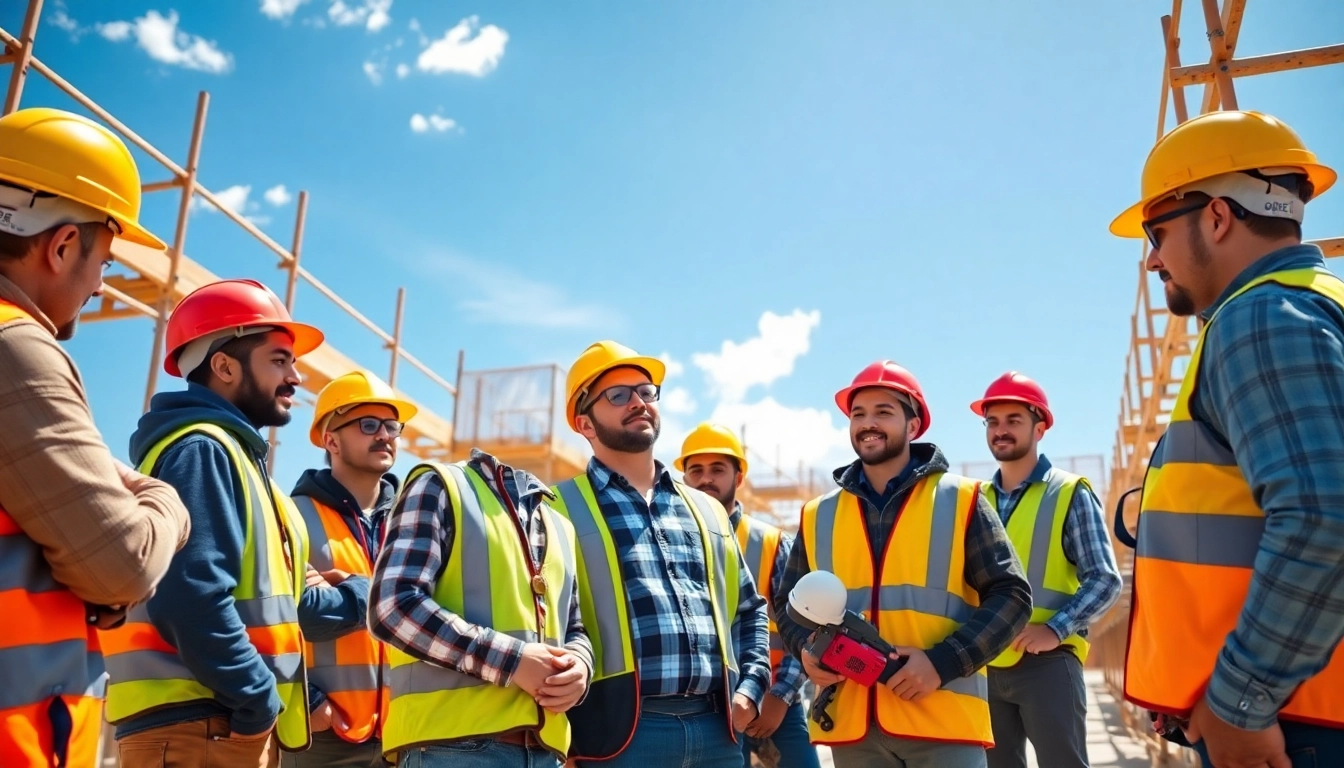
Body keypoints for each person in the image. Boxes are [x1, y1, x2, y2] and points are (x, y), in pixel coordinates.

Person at [1109, 109, 1344, 768]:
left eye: (1156, 232)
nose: (1152, 257)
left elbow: (1324, 517)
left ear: (1216, 217)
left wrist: (1242, 697)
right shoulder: (1314, 302)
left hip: (1296, 723)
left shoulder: (1263, 317)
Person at [102, 279, 370, 768]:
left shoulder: (244, 467)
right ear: (224, 366)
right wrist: (256, 700)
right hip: (203, 724)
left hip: (218, 724)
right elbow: (190, 595)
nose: (295, 377)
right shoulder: (202, 451)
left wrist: (363, 592)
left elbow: (288, 605)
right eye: (278, 360)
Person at [0, 106, 192, 767]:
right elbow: (123, 561)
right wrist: (165, 502)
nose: (101, 283)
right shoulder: (14, 349)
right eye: (104, 259)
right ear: (59, 247)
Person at [772, 360, 1032, 768]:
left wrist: (943, 661)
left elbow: (1013, 596)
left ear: (913, 426)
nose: (867, 423)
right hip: (852, 725)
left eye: (883, 412)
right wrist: (806, 650)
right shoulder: (817, 514)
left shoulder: (961, 500)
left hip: (941, 719)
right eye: (858, 414)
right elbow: (788, 603)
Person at [547, 340, 771, 768]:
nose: (638, 402)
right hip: (617, 738)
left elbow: (749, 608)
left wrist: (751, 689)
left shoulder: (705, 508)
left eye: (646, 391)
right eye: (617, 395)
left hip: (718, 731)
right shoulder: (555, 509)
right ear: (584, 423)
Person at [369, 449, 593, 768]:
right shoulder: (440, 486)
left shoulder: (560, 525)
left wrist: (580, 666)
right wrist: (512, 661)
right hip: (450, 748)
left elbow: (574, 627)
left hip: (546, 750)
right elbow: (393, 607)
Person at [969, 372, 1122, 768]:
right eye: (993, 422)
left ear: (1040, 427)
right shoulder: (973, 501)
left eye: (1013, 421)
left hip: (1048, 665)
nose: (1000, 431)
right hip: (986, 664)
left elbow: (1105, 579)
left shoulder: (1069, 493)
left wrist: (1054, 630)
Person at [287, 370, 419, 767]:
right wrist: (310, 703)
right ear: (331, 440)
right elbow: (293, 615)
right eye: (368, 425)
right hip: (326, 737)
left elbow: (436, 609)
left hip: (408, 732)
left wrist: (352, 591)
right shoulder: (294, 518)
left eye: (391, 426)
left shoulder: (416, 522)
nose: (385, 435)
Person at [675, 423, 821, 768]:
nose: (706, 479)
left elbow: (803, 629)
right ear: (684, 479)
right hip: (711, 707)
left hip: (774, 703)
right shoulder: (670, 544)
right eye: (696, 470)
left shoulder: (771, 543)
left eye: (717, 469)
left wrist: (780, 697)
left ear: (738, 478)